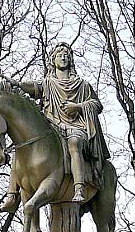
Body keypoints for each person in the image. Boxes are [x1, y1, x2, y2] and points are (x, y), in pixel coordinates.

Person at [17, 42, 104, 203]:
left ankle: (79, 187)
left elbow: (97, 105)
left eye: (66, 55)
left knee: (74, 142)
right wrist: (13, 82)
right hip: (53, 128)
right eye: (59, 55)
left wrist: (78, 107)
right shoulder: (48, 83)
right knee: (23, 149)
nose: (63, 57)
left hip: (76, 128)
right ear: (53, 60)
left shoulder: (83, 85)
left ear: (70, 60)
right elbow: (32, 87)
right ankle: (11, 196)